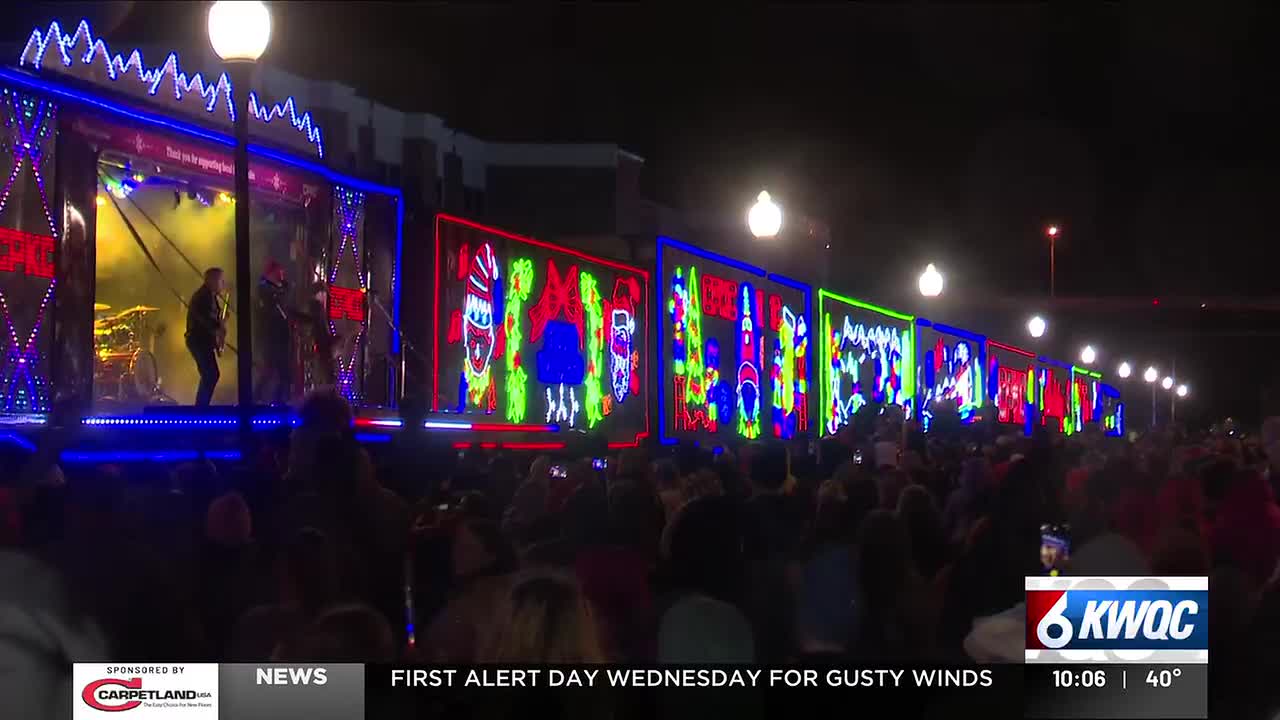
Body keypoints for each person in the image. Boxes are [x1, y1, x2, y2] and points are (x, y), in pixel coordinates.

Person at [255, 260, 293, 406]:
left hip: (280, 335)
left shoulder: (279, 289)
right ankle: (259, 398)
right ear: (271, 273)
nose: (282, 275)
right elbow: (276, 300)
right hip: (270, 335)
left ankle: (278, 400)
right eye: (279, 272)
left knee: (281, 370)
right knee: (272, 369)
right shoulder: (264, 288)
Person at [186, 267, 225, 406]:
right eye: (221, 280)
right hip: (197, 341)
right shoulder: (203, 297)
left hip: (202, 341)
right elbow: (204, 320)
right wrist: (218, 326)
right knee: (211, 374)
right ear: (212, 281)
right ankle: (201, 408)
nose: (223, 284)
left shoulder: (211, 296)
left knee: (210, 374)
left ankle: (201, 407)